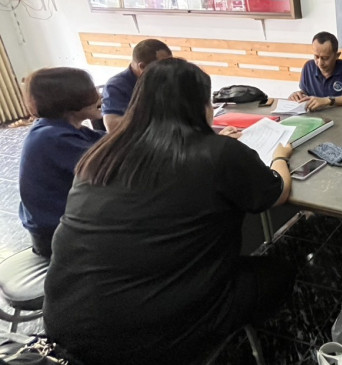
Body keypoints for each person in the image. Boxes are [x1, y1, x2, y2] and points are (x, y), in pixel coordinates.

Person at [44, 58, 295, 365]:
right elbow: (277, 192)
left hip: (66, 324)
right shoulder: (218, 154)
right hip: (148, 339)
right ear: (200, 107)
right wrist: (280, 157)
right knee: (279, 272)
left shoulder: (101, 154)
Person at [18, 67, 103, 257]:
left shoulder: (58, 128)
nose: (98, 96)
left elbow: (107, 141)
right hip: (55, 237)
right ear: (69, 99)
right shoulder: (53, 138)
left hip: (62, 227)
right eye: (91, 92)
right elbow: (108, 165)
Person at [102, 38, 172, 133]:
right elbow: (112, 126)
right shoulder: (116, 86)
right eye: (162, 67)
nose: (168, 70)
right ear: (142, 67)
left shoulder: (165, 77)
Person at [289, 31, 342, 110]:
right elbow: (306, 92)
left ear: (337, 55)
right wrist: (298, 95)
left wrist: (329, 100)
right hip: (316, 115)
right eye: (316, 57)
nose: (320, 63)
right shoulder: (308, 67)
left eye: (325, 58)